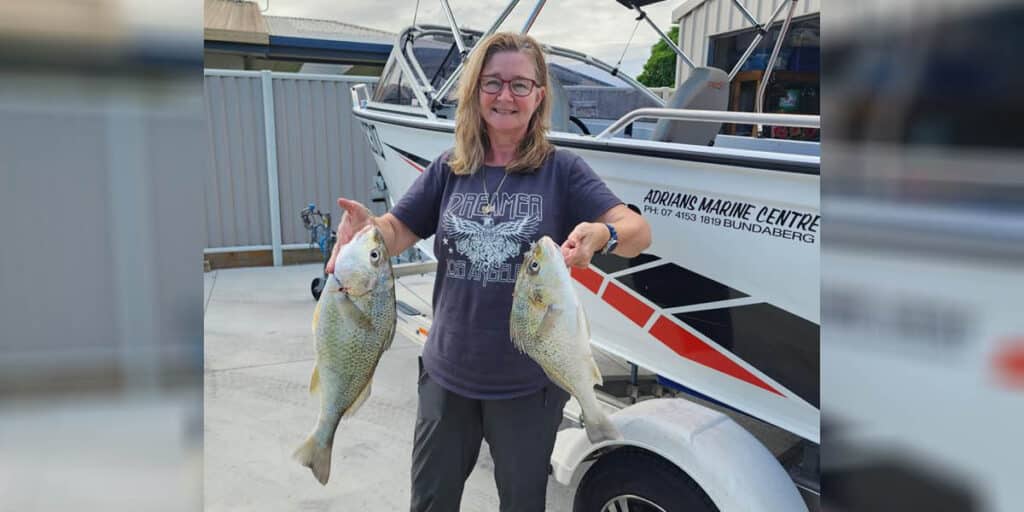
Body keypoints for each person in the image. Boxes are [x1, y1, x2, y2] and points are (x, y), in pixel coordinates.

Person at [325, 32, 651, 512]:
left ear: (539, 95)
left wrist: (605, 236)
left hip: (529, 388)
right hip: (446, 377)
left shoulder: (563, 171)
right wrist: (366, 230)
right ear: (475, 91)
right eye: (493, 82)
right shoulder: (449, 169)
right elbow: (397, 229)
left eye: (521, 85)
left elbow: (637, 230)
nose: (505, 96)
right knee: (431, 503)